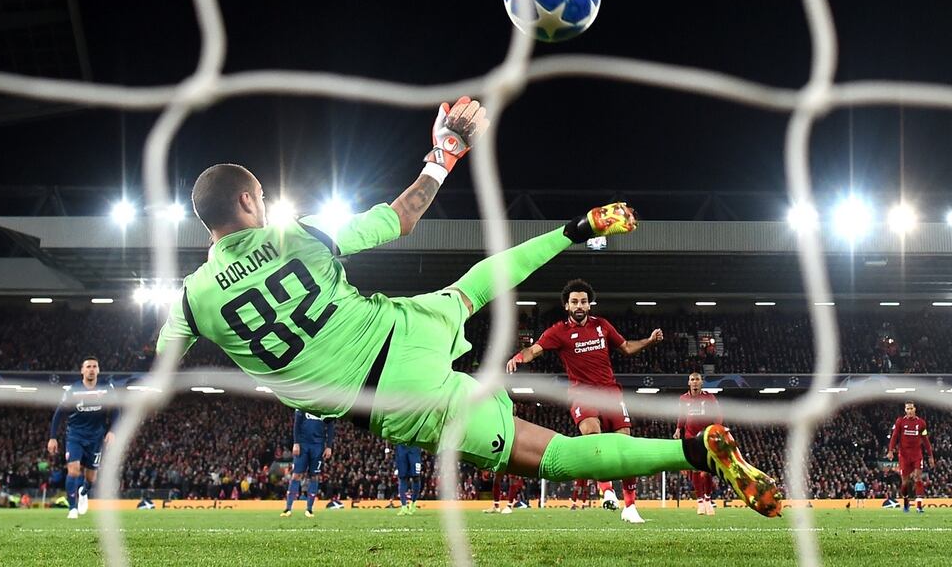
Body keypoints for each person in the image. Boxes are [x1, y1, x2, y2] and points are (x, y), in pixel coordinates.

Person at [155, 96, 782, 519]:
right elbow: (402, 217)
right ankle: (574, 228)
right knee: (472, 287)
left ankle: (697, 455)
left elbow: (159, 377)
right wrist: (443, 155)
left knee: (556, 458)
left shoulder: (190, 298)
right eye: (260, 197)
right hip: (401, 328)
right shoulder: (299, 235)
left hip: (392, 400)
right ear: (247, 200)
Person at [506, 279, 664, 523]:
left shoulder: (602, 326)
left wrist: (650, 341)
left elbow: (626, 348)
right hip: (583, 394)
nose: (579, 305)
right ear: (567, 306)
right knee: (593, 436)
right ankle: (607, 490)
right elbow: (535, 349)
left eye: (583, 301)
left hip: (611, 392)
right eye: (574, 302)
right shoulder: (558, 331)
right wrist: (519, 356)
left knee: (626, 446)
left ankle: (630, 506)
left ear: (589, 305)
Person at [47, 357, 118, 519]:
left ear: (98, 370)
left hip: (96, 437)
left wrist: (112, 431)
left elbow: (116, 410)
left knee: (91, 477)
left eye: (94, 366)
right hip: (75, 436)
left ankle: (84, 492)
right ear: (82, 370)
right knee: (73, 470)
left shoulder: (106, 389)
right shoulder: (73, 390)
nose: (91, 369)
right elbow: (59, 413)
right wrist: (52, 437)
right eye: (88, 367)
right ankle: (72, 508)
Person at [674, 372, 722, 516]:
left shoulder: (709, 397)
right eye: (692, 380)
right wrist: (678, 429)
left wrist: (718, 428)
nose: (695, 382)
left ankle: (708, 499)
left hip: (706, 437)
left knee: (706, 471)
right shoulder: (683, 398)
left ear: (702, 382)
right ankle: (700, 501)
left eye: (697, 380)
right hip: (690, 437)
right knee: (695, 470)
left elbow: (717, 415)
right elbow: (682, 416)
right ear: (688, 383)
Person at [281, 409, 334, 517]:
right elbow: (297, 424)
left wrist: (329, 446)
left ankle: (309, 509)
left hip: (318, 446)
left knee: (314, 476)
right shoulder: (304, 404)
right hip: (303, 444)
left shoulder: (327, 407)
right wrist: (296, 443)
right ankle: (288, 509)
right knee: (296, 475)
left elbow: (330, 427)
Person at [887, 401, 935, 513]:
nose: (909, 411)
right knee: (905, 482)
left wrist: (930, 456)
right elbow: (894, 436)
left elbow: (925, 440)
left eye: (911, 408)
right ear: (905, 410)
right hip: (903, 455)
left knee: (918, 478)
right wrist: (890, 450)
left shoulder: (921, 423)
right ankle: (906, 502)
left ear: (915, 409)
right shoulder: (900, 422)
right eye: (907, 409)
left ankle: (919, 506)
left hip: (917, 455)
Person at [394, 444, 423, 516]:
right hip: (401, 447)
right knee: (403, 477)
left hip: (414, 446)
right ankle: (404, 507)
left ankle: (413, 503)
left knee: (416, 477)